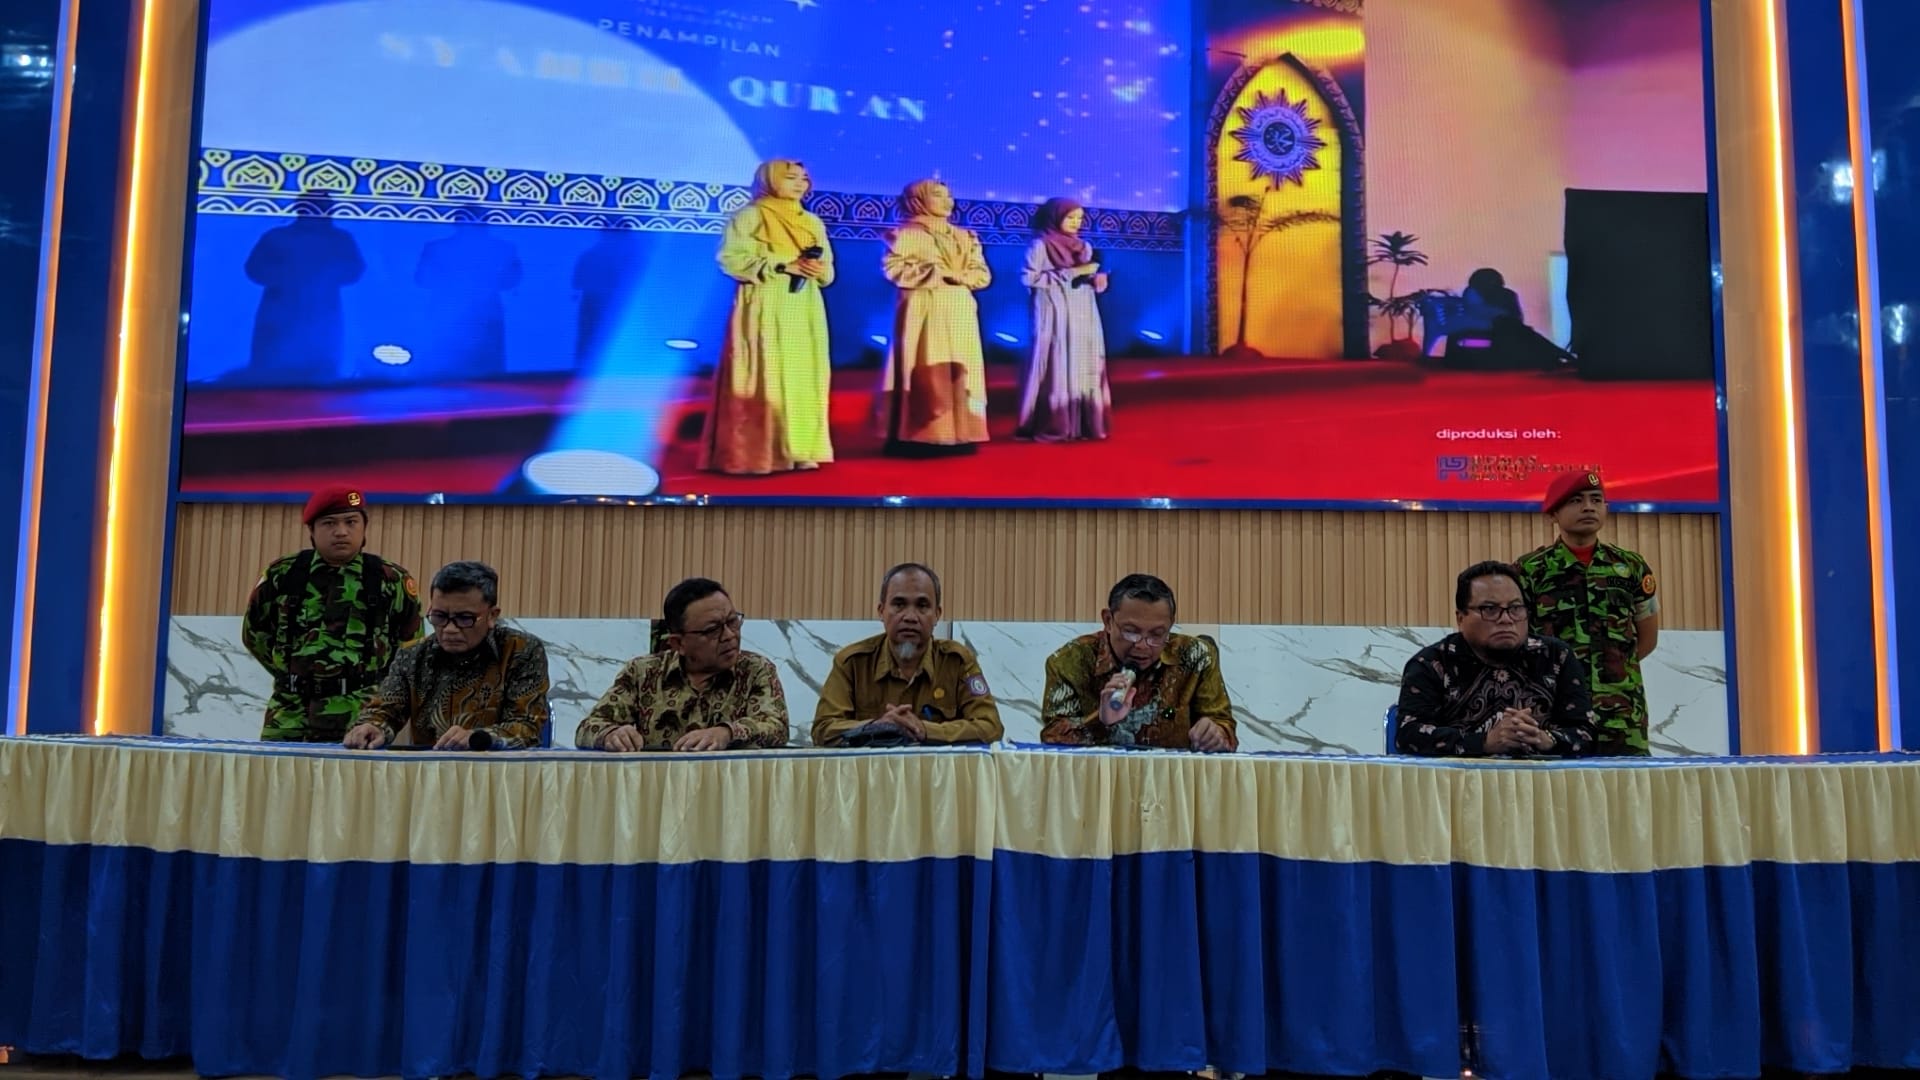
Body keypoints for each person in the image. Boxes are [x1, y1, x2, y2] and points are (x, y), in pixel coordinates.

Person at [242, 486, 422, 742]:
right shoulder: (284, 574)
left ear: (364, 528)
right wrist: (293, 675)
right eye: (329, 523)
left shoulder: (390, 579)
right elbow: (255, 635)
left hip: (364, 715)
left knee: (358, 783)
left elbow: (411, 648)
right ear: (312, 532)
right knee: (279, 781)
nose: (341, 532)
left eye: (351, 522)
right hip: (291, 714)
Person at [699, 158, 836, 475]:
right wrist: (781, 264)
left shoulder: (812, 222)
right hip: (765, 298)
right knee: (768, 369)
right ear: (769, 179)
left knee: (803, 372)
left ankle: (801, 447)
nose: (800, 183)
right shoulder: (750, 215)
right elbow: (731, 258)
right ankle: (759, 451)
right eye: (791, 178)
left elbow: (828, 266)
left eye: (804, 178)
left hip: (803, 303)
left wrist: (818, 269)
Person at [1513, 471, 1661, 756]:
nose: (1589, 507)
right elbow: (1519, 643)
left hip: (1621, 714)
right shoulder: (1530, 570)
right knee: (1557, 795)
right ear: (1554, 513)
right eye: (1576, 501)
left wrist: (1612, 670)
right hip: (1555, 711)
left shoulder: (1630, 567)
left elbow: (1647, 639)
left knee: (1626, 793)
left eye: (1596, 499)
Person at [1394, 560, 1597, 758]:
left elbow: (1586, 733)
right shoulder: (1432, 664)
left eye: (1515, 608)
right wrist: (1484, 742)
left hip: (1543, 786)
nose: (1506, 619)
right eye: (1490, 609)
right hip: (1458, 786)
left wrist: (1545, 739)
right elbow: (1408, 735)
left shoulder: (1556, 657)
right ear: (1460, 618)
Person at [343, 561, 552, 750]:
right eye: (439, 616)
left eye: (464, 618)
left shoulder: (521, 650)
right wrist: (374, 727)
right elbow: (385, 709)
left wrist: (477, 738)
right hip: (430, 777)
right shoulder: (413, 655)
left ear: (492, 616)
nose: (450, 629)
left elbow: (527, 726)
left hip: (497, 777)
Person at [576, 577, 791, 752]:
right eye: (712, 630)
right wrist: (611, 735)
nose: (729, 636)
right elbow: (588, 728)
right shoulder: (643, 673)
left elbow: (776, 727)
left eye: (733, 622)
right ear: (678, 643)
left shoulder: (755, 670)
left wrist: (726, 733)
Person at [813, 563, 1005, 746]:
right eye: (899, 604)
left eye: (922, 606)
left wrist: (925, 730)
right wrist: (875, 728)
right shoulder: (852, 663)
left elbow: (990, 727)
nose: (910, 617)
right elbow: (823, 729)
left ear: (937, 614)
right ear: (881, 611)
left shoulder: (957, 662)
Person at [1039, 573, 1236, 751]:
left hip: (1173, 781)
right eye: (1131, 632)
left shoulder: (1196, 656)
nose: (1142, 645)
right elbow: (1051, 740)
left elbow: (1225, 729)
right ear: (1108, 621)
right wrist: (1101, 720)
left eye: (1157, 635)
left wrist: (1216, 735)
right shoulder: (1069, 662)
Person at [877, 178, 992, 455]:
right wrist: (934, 272)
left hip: (960, 306)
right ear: (918, 200)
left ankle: (962, 431)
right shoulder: (905, 234)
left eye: (949, 196)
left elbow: (982, 274)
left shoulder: (965, 236)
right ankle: (922, 432)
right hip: (923, 306)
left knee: (962, 367)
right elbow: (893, 270)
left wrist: (962, 276)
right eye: (938, 196)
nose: (947, 201)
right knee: (925, 361)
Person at [1016, 197, 1111, 442]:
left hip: (1082, 311)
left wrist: (1097, 280)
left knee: (1081, 361)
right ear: (1055, 217)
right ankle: (1055, 422)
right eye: (1070, 217)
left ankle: (1083, 424)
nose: (1076, 223)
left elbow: (1086, 278)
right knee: (1056, 361)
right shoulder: (1039, 246)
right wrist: (1072, 273)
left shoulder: (1085, 247)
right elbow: (1028, 279)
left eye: (1080, 218)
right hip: (1053, 312)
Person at [1456, 267, 1576, 371]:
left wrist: (1503, 317)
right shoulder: (1472, 292)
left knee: (1520, 331)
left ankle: (1554, 355)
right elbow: (1476, 311)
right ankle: (1558, 354)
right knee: (1525, 333)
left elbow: (1516, 316)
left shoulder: (1508, 294)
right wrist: (1500, 315)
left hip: (1507, 327)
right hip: (1486, 327)